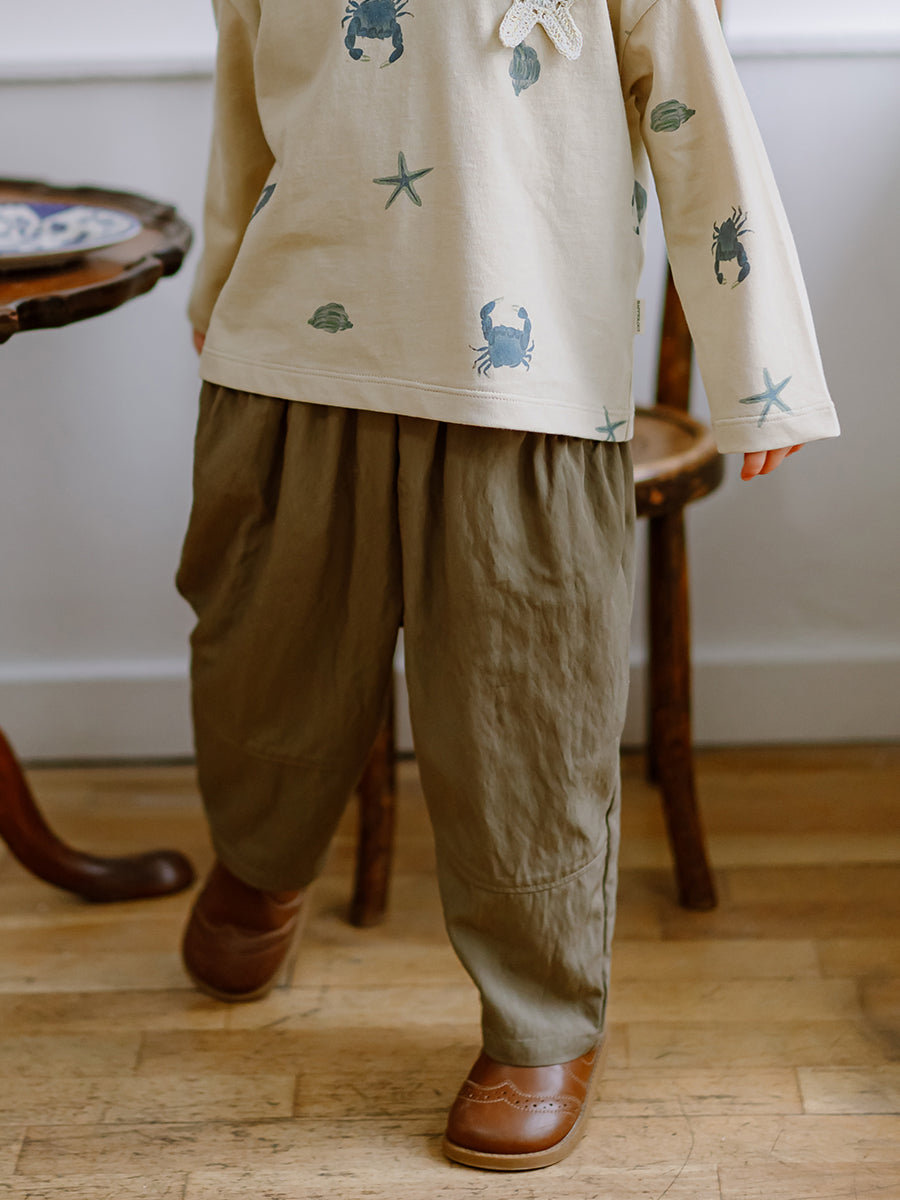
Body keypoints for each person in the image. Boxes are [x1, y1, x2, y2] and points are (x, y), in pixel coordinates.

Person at [176, 0, 839, 1172]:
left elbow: (700, 121)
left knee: (522, 722)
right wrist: (218, 282)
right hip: (294, 345)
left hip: (522, 375)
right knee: (262, 651)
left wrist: (761, 364)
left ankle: (540, 1020)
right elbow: (245, 101)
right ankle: (260, 861)